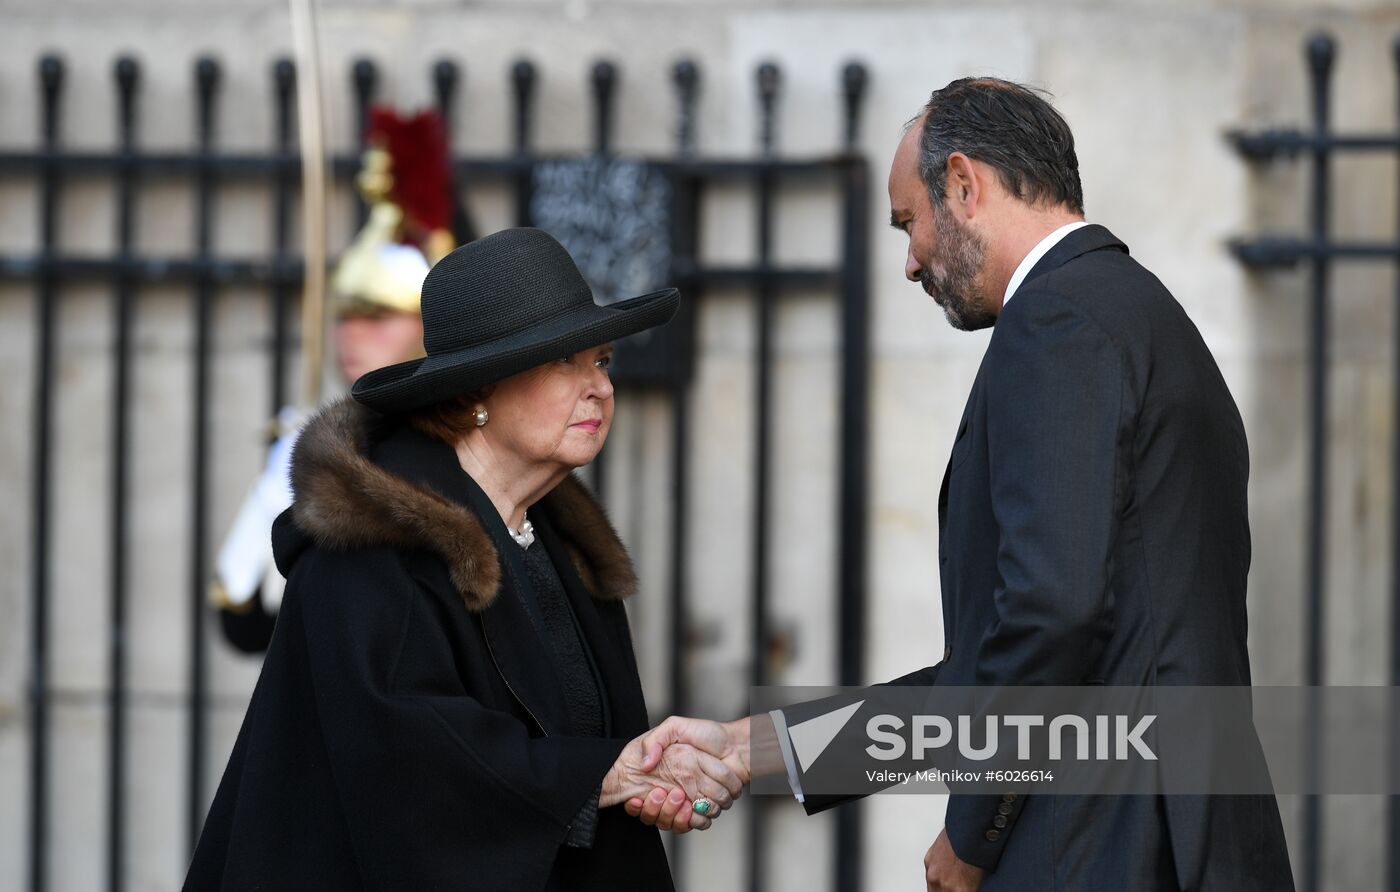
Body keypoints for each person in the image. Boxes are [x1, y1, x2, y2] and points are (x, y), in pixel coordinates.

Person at [630, 78, 1295, 891]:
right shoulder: (1143, 315)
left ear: (964, 184)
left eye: (908, 223)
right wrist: (752, 749)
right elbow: (1008, 658)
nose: (909, 263)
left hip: (1110, 848)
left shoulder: (1055, 324)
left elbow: (1052, 616)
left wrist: (973, 830)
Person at [185, 228, 742, 891]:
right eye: (566, 362)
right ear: (479, 391)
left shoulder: (559, 541)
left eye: (603, 359)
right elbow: (411, 777)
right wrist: (605, 776)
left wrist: (647, 772)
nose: (598, 387)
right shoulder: (369, 551)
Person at [210, 106, 460, 653]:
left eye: (375, 317)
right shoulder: (316, 433)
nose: (351, 335)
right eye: (345, 316)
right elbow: (244, 622)